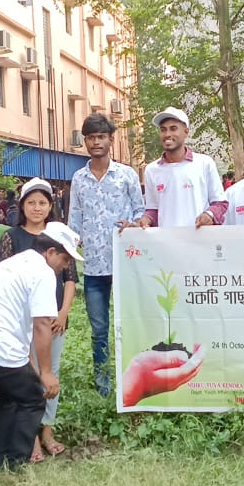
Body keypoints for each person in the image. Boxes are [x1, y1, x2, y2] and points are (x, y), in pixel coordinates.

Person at [0, 224, 80, 469]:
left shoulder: (17, 264)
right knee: (32, 398)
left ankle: (4, 461)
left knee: (11, 396)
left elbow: (25, 332)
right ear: (51, 252)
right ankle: (15, 463)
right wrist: (46, 373)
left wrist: (34, 368)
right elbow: (42, 325)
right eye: (65, 259)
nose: (65, 267)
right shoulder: (42, 272)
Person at [0, 179, 78, 461]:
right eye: (31, 202)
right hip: (21, 322)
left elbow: (70, 279)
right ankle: (28, 436)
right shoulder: (11, 238)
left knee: (50, 372)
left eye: (42, 202)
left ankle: (47, 430)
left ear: (50, 206)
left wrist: (63, 312)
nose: (37, 208)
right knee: (27, 375)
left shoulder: (60, 235)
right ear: (22, 205)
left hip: (54, 320)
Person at [69, 113, 145, 396]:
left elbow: (141, 212)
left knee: (129, 325)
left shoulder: (126, 175)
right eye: (91, 137)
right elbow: (74, 221)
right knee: (99, 329)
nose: (96, 142)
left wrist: (135, 224)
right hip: (93, 269)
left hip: (127, 265)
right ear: (85, 142)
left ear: (111, 140)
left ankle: (134, 383)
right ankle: (103, 385)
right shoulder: (79, 179)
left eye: (101, 137)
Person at [140, 107, 228, 228]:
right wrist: (146, 219)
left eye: (173, 129)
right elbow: (153, 210)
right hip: (165, 242)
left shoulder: (204, 163)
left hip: (199, 240)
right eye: (163, 130)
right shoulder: (151, 170)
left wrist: (209, 215)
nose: (167, 134)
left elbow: (220, 203)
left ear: (186, 132)